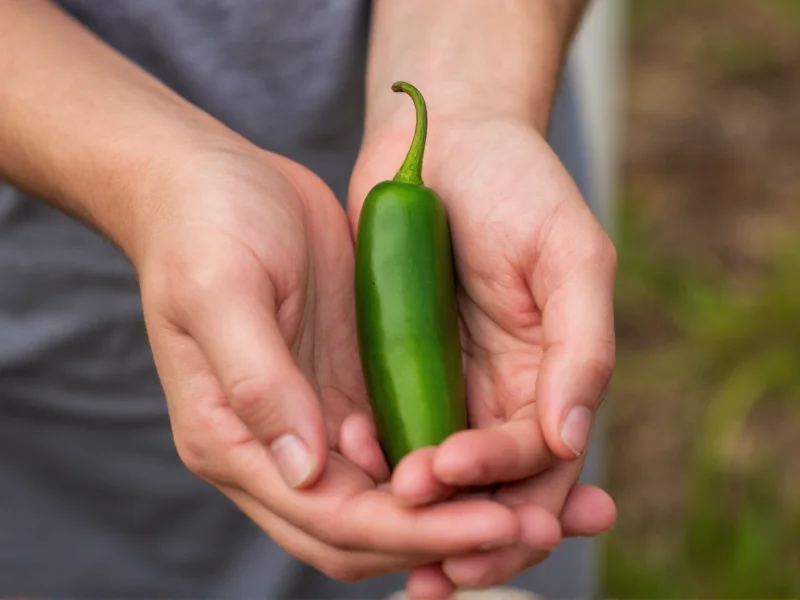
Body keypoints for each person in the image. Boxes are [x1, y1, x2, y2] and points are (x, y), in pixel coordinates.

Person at [0, 1, 618, 598]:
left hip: (486, 79)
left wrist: (474, 101)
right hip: (58, 263)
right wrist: (155, 182)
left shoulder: (422, 207)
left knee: (481, 544)